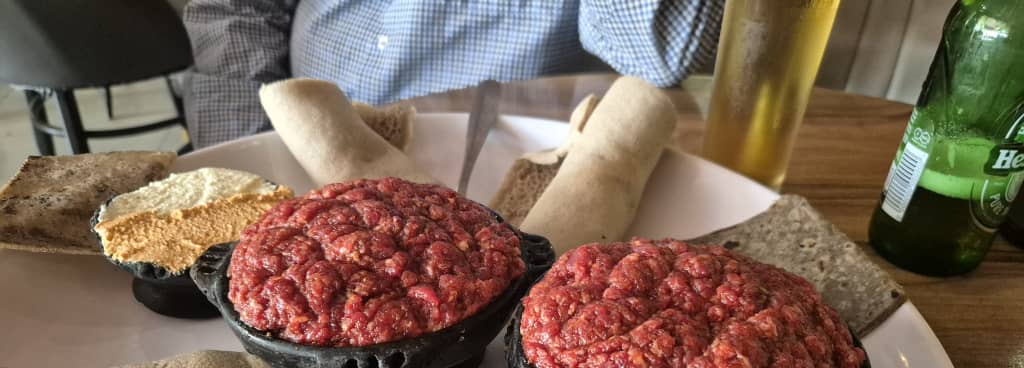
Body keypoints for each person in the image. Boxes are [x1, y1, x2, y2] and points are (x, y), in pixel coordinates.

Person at [182, 0, 724, 149]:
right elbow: (237, 10)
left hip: (501, 169)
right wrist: (244, 155)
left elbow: (654, 48)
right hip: (283, 142)